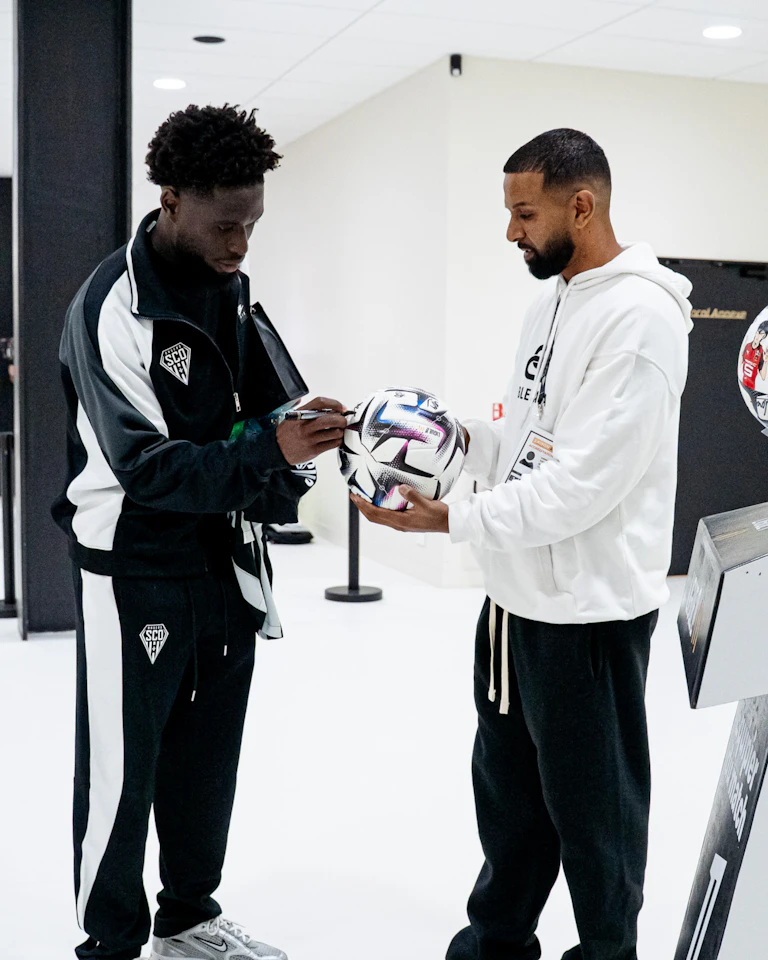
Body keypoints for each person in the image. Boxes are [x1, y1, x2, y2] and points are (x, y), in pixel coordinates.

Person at [353, 128, 693, 960]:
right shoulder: (550, 301)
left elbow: (583, 487)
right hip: (512, 607)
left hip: (586, 619)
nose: (512, 232)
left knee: (595, 818)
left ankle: (607, 953)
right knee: (508, 798)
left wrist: (448, 520)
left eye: (524, 213)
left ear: (583, 205)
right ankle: (499, 939)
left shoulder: (642, 321)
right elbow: (522, 439)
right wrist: (434, 441)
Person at [53, 104, 347, 960]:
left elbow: (268, 401)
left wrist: (305, 431)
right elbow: (145, 468)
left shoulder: (233, 289)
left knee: (206, 756)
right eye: (227, 225)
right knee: (124, 766)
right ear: (171, 199)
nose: (241, 243)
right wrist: (266, 444)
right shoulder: (111, 307)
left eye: (253, 224)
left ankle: (188, 916)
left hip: (223, 558)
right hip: (135, 563)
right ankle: (109, 942)